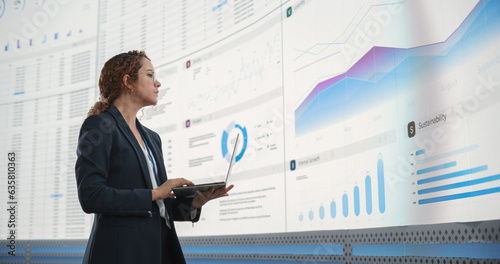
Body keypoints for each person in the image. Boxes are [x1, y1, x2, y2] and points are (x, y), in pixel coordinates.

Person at [75, 50, 233, 264]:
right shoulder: (99, 126)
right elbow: (91, 196)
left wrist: (194, 203)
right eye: (150, 75)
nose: (157, 83)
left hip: (160, 251)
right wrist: (156, 192)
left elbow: (157, 209)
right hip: (121, 253)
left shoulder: (152, 138)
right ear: (127, 81)